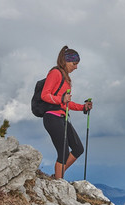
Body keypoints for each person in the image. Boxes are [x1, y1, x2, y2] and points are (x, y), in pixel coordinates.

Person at [41, 45, 93, 179]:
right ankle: (59, 182)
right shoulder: (55, 73)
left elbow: (66, 103)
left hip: (62, 117)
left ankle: (57, 177)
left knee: (78, 148)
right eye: (74, 63)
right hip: (52, 117)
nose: (76, 67)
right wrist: (61, 99)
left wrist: (83, 107)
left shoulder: (66, 79)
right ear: (66, 61)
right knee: (63, 154)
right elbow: (44, 95)